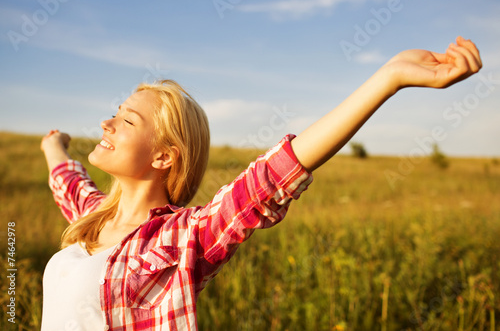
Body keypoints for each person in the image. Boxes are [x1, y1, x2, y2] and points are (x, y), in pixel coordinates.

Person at [40, 36, 482, 330]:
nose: (108, 123)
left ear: (163, 156)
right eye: (116, 112)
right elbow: (68, 179)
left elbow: (272, 177)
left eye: (126, 119)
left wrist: (389, 78)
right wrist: (53, 145)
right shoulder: (92, 219)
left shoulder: (184, 238)